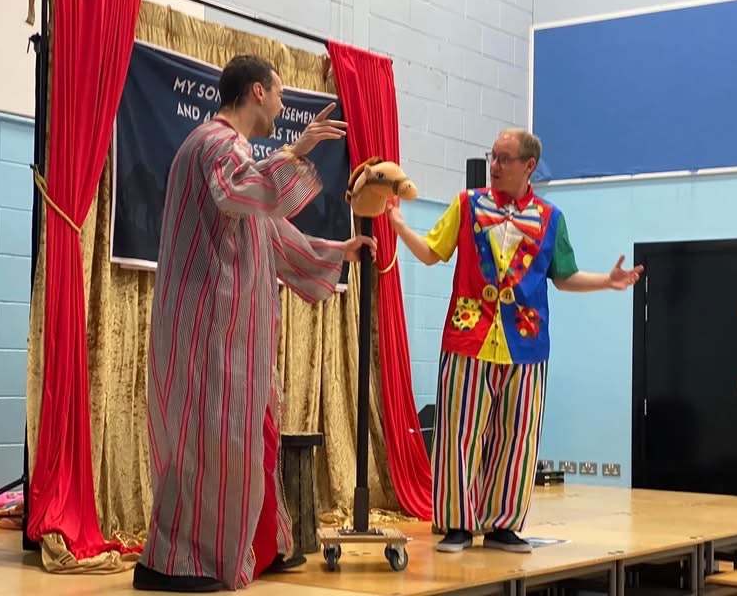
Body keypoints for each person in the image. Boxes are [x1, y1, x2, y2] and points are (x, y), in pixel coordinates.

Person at [133, 54, 377, 592]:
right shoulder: (216, 144)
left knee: (247, 441)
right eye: (280, 94)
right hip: (208, 328)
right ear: (258, 92)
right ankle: (177, 562)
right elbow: (240, 191)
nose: (284, 106)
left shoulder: (230, 151)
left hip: (231, 333)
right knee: (205, 445)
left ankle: (253, 547)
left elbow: (269, 233)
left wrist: (339, 251)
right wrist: (297, 150)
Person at [386, 129, 643, 554]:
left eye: (505, 159)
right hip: (468, 336)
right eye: (493, 156)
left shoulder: (551, 218)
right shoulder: (466, 205)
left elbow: (564, 276)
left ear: (529, 166)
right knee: (458, 433)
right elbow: (432, 253)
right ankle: (457, 523)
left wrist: (607, 281)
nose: (495, 166)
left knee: (518, 436)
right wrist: (398, 226)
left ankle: (502, 524)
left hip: (526, 343)